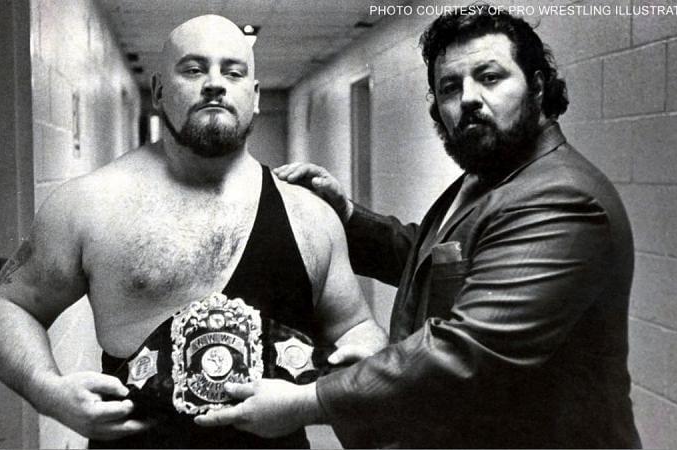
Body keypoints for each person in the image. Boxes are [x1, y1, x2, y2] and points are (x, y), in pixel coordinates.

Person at [195, 6, 642, 448]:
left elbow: (466, 351)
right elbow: (434, 261)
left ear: (538, 86)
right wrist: (346, 216)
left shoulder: (559, 199)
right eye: (450, 87)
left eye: (490, 77)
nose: (468, 98)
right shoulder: (488, 176)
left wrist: (310, 400)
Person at [0, 14, 386, 449]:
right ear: (158, 91)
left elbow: (356, 327)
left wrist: (362, 356)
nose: (214, 84)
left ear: (255, 95)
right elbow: (11, 306)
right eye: (193, 70)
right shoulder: (89, 204)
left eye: (233, 72)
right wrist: (48, 392)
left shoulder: (310, 215)